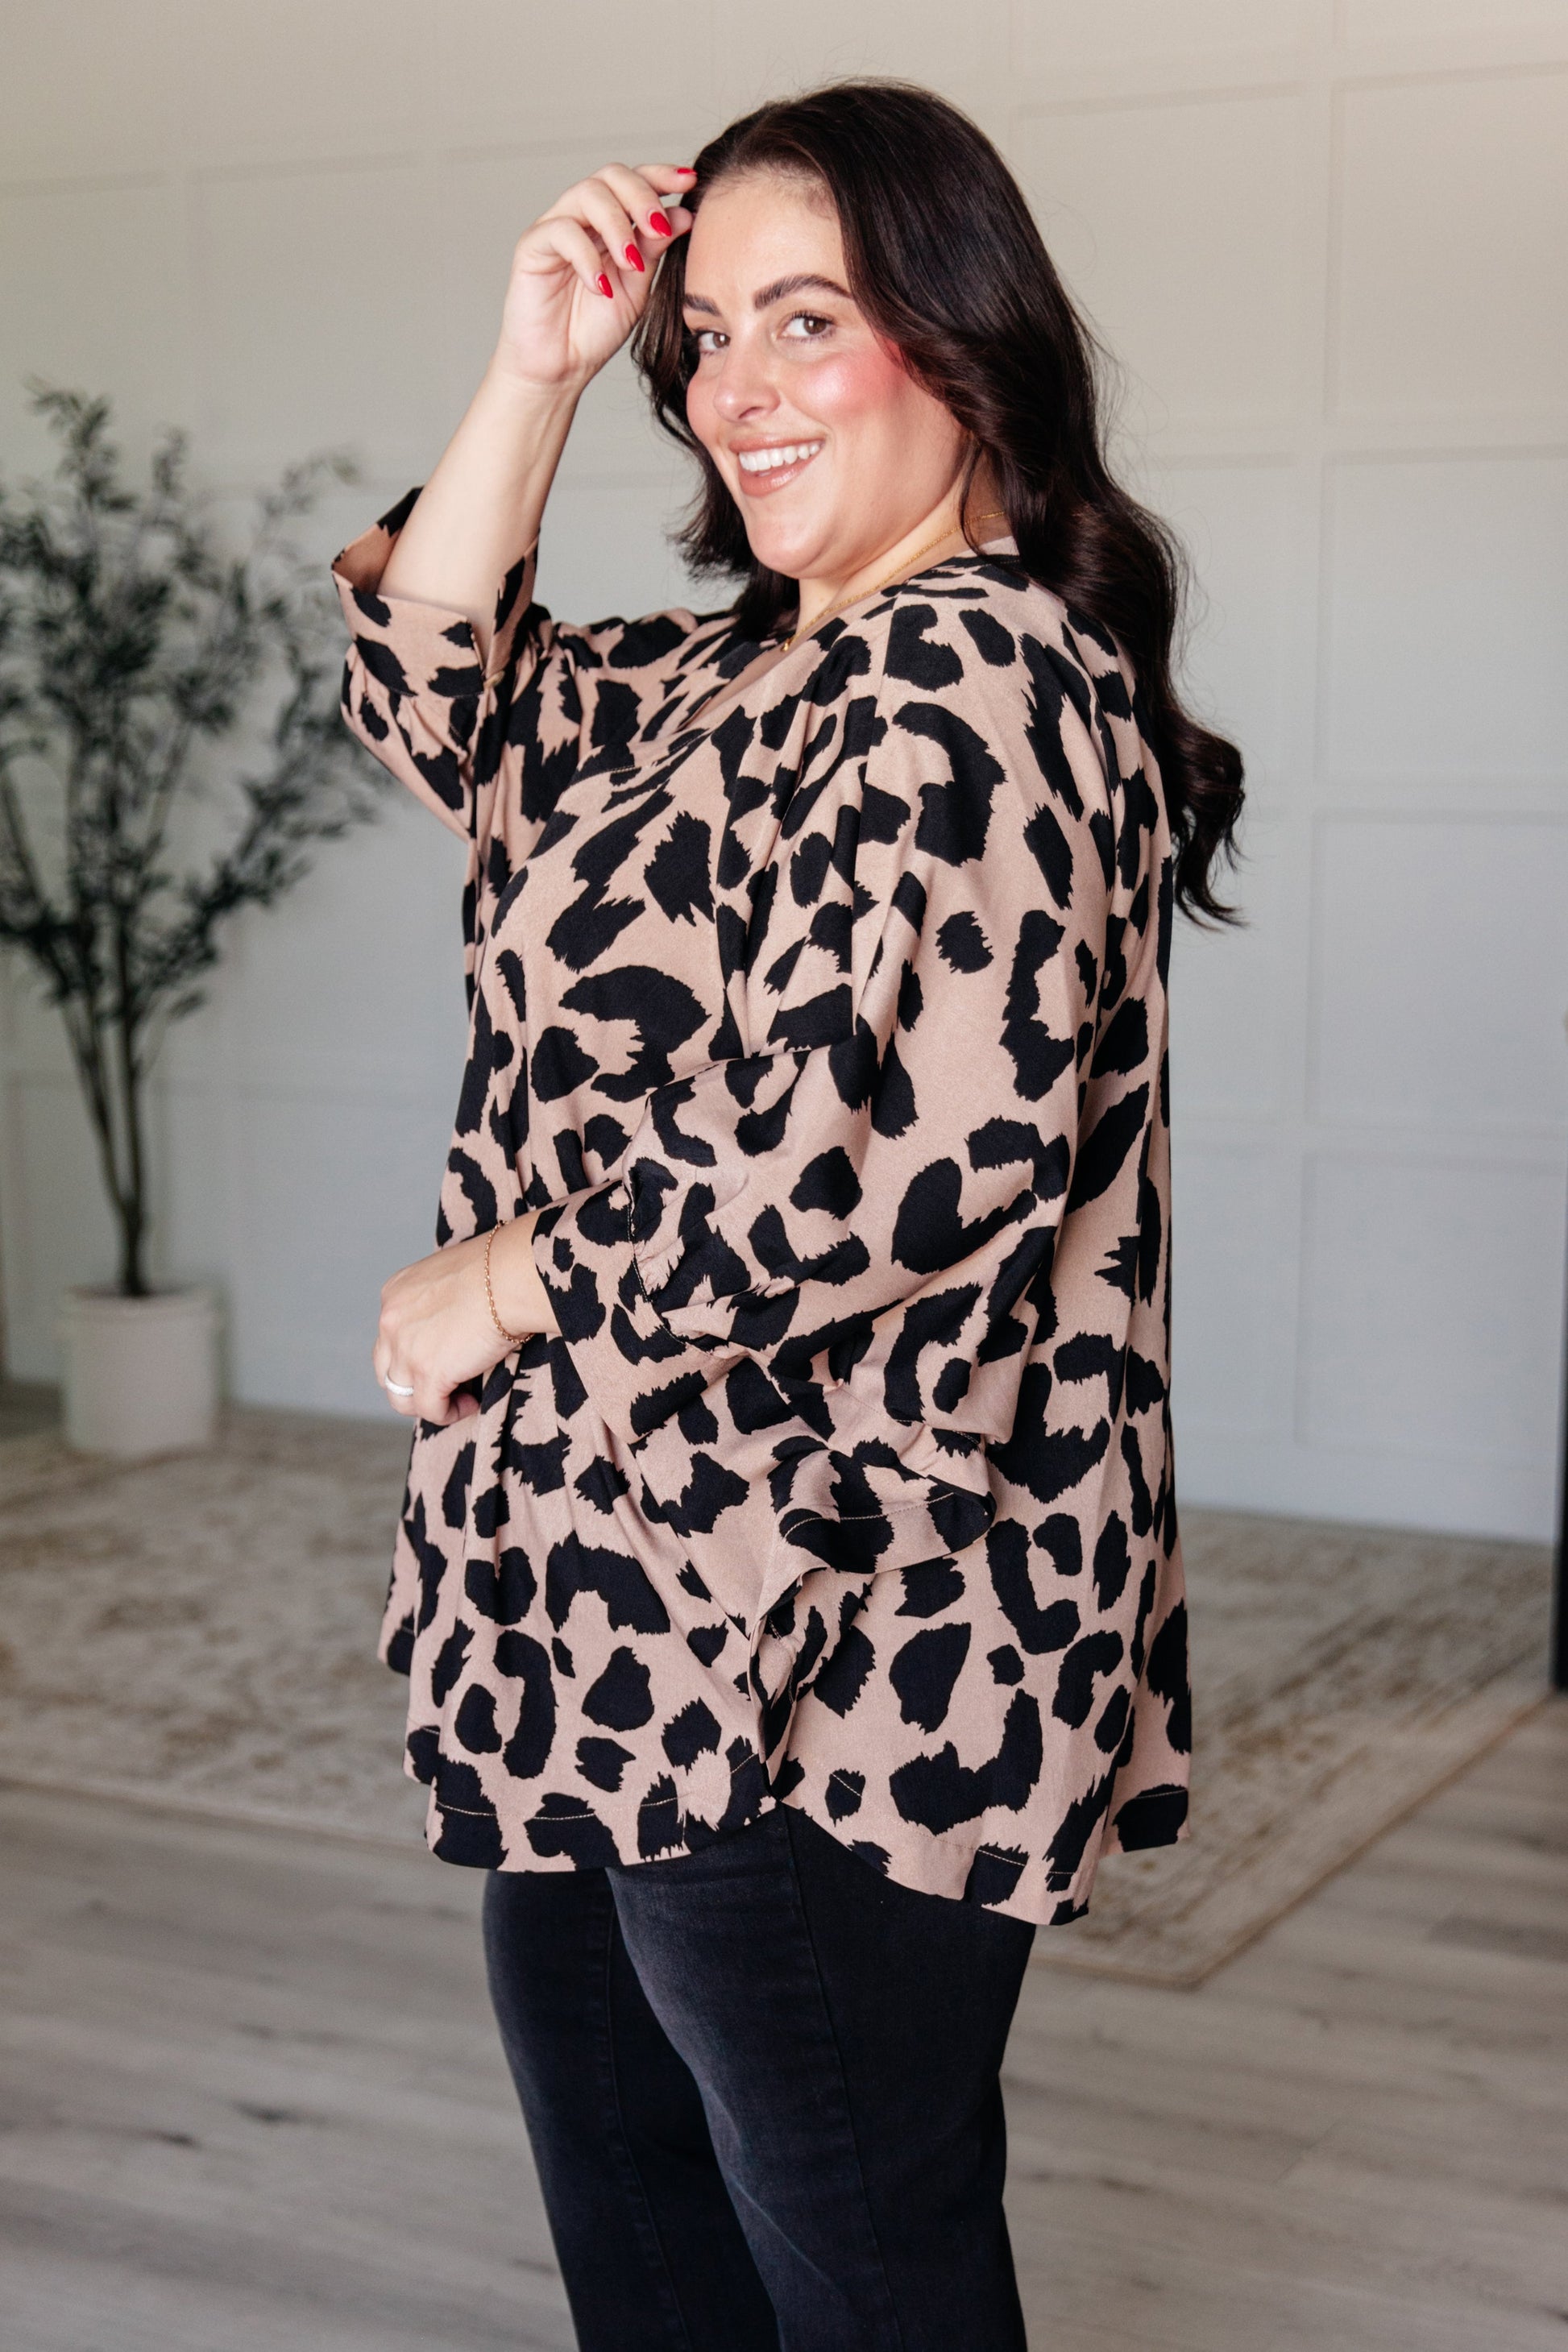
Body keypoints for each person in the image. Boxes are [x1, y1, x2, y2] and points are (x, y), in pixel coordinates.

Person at [334, 79, 1242, 2352]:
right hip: (618, 1610)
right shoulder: (746, 671)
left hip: (838, 1638)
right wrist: (539, 364)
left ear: (962, 335)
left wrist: (508, 1278)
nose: (736, 383)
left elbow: (879, 1150)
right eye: (708, 331)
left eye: (807, 317)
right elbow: (436, 697)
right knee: (646, 2219)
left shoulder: (978, 675)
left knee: (859, 2268)